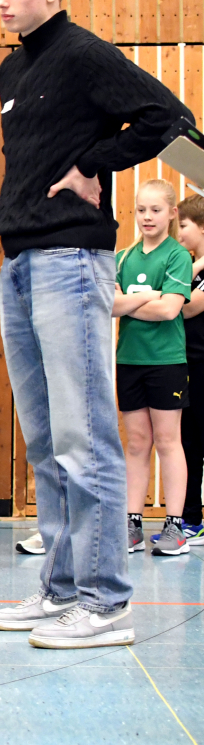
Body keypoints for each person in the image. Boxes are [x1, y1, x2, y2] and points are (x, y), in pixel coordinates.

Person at [0, 0, 192, 648]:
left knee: (85, 433)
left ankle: (105, 603)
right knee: (45, 439)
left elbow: (167, 116)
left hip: (70, 259)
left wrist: (95, 165)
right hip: (18, 260)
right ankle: (63, 589)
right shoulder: (13, 68)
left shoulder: (83, 53)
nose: (2, 1)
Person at [113, 180, 191, 557]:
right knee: (137, 442)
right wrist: (150, 296)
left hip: (166, 362)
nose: (147, 216)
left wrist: (132, 302)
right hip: (129, 360)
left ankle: (174, 525)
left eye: (155, 210)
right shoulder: (123, 258)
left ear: (172, 213)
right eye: (142, 209)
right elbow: (109, 305)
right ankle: (132, 523)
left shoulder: (178, 256)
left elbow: (170, 310)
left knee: (167, 440)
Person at [169, 192, 204, 544]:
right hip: (187, 363)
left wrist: (168, 298)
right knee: (189, 441)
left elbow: (186, 307)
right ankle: (192, 517)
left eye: (184, 225)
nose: (179, 233)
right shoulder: (190, 266)